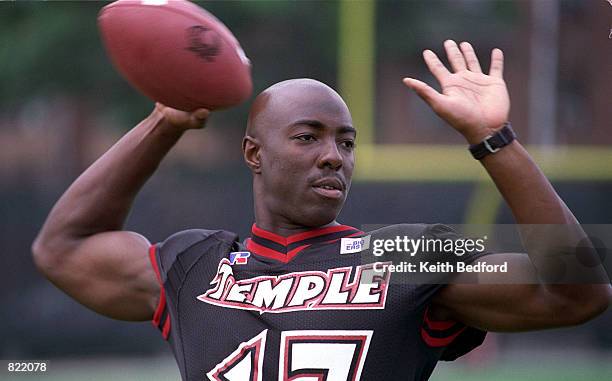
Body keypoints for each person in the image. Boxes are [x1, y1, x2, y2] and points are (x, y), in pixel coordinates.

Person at [33, 40, 610, 380]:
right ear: (254, 154)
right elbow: (62, 249)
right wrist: (164, 122)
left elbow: (576, 289)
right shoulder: (195, 264)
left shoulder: (405, 252)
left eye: (347, 142)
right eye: (308, 137)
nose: (334, 156)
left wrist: (493, 138)